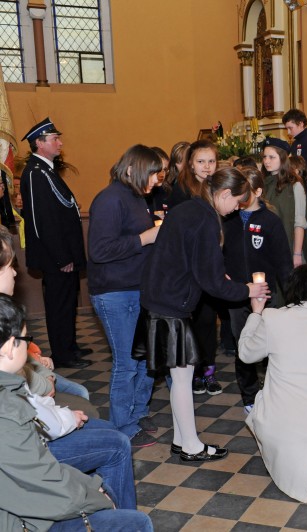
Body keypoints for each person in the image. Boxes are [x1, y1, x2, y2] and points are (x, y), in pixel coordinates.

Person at [141, 167, 269, 462]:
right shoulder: (205, 220)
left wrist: (221, 278)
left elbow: (194, 262)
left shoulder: (189, 208)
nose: (236, 209)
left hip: (160, 297)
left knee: (179, 375)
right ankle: (191, 446)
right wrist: (247, 290)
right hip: (171, 302)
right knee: (183, 377)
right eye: (236, 202)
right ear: (223, 194)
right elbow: (211, 281)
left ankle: (180, 438)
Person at [0, 294, 153, 531]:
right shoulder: (7, 409)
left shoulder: (9, 391)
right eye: (26, 338)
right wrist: (96, 498)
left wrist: (90, 487)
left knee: (111, 444)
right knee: (136, 523)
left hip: (23, 502)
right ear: (11, 346)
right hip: (21, 519)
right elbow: (40, 480)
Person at [238, 264, 307, 503]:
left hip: (281, 427)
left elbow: (246, 354)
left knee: (259, 402)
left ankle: (293, 459)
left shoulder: (273, 317)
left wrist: (255, 314)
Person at [88, 145, 162, 449]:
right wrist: (145, 237)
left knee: (143, 358)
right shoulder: (109, 199)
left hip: (137, 288)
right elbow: (100, 251)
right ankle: (123, 426)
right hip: (114, 292)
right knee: (127, 362)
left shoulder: (136, 197)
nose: (157, 180)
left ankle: (138, 413)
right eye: (153, 173)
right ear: (132, 170)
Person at [19, 117, 90, 370]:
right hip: (56, 257)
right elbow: (42, 222)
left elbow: (60, 207)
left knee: (68, 301)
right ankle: (62, 353)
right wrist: (62, 257)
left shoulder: (46, 170)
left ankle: (70, 346)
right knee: (59, 304)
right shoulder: (35, 173)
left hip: (64, 253)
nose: (60, 143)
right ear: (39, 143)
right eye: (54, 139)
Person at [223, 166, 292, 414]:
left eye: (245, 193)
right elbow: (217, 253)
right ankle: (249, 396)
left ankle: (275, 392)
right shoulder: (227, 220)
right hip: (237, 296)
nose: (239, 199)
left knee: (272, 347)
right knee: (244, 348)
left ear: (258, 191)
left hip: (266, 298)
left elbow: (284, 263)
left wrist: (294, 299)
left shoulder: (270, 222)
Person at [165, 140, 224, 396]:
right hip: (190, 264)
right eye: (201, 161)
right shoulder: (181, 189)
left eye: (211, 161)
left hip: (214, 260)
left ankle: (209, 370)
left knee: (209, 320)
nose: (207, 167)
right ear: (191, 163)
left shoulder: (220, 186)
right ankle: (195, 371)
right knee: (193, 320)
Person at [262, 138, 307, 266]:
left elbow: (299, 222)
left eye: (272, 157)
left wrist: (297, 254)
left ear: (283, 158)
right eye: (265, 157)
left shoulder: (295, 185)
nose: (266, 161)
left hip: (289, 245)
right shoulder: (265, 183)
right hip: (268, 245)